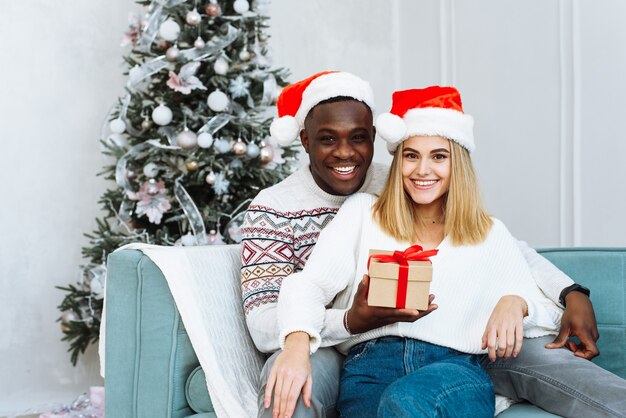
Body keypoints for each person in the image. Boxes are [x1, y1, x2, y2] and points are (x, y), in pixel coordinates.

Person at [267, 86, 626, 418]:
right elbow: (307, 285)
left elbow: (545, 315)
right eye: (411, 156)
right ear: (398, 162)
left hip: (456, 369)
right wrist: (296, 345)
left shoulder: (487, 233)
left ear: (457, 165)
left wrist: (517, 302)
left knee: (407, 400)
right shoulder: (363, 213)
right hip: (370, 367)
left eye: (438, 156)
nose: (423, 170)